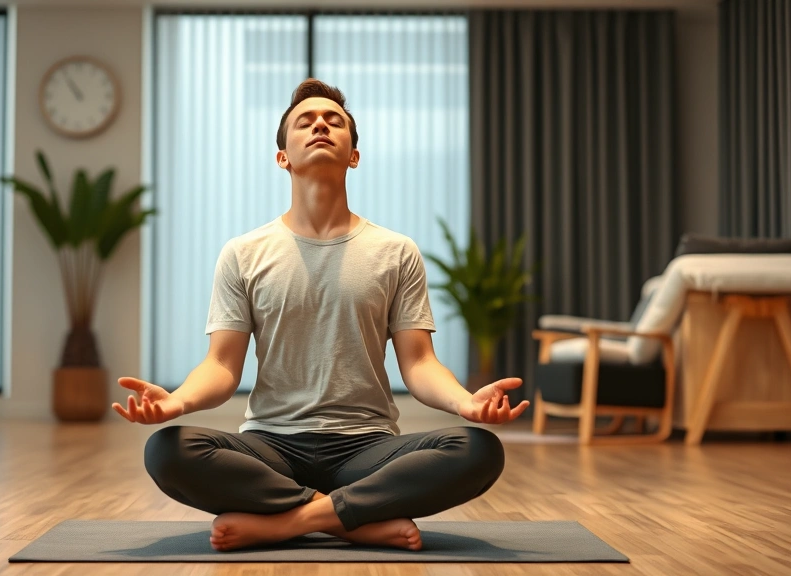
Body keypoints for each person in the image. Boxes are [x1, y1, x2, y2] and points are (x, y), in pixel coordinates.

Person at [113, 78, 529, 552]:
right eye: (304, 121)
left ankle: (286, 521)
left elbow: (418, 363)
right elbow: (222, 365)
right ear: (282, 157)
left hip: (366, 447)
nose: (320, 126)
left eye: (334, 121)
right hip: (272, 446)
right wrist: (176, 403)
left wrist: (466, 403)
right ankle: (350, 518)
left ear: (354, 154)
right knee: (167, 450)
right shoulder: (243, 253)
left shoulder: (396, 252)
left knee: (477, 450)